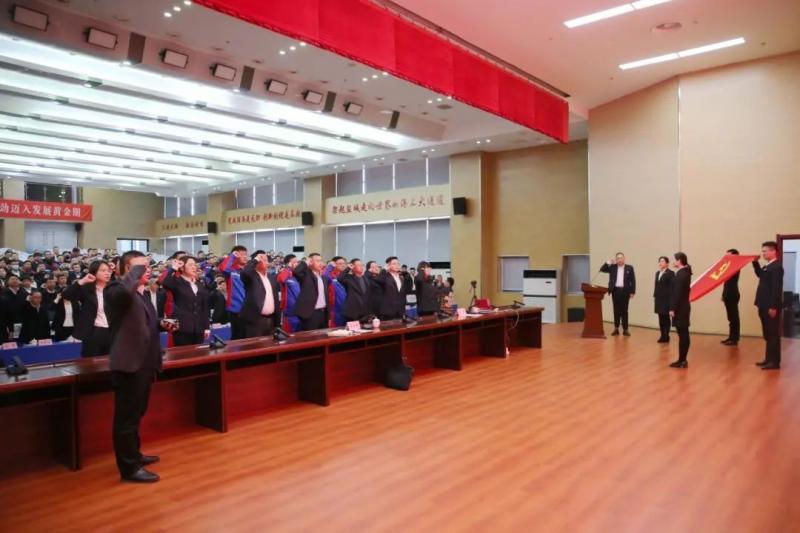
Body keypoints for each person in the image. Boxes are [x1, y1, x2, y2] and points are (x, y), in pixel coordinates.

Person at [105, 250, 176, 483]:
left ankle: (134, 455)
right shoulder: (115, 289)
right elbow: (122, 295)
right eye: (140, 267)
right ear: (127, 269)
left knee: (137, 413)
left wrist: (161, 323)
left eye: (147, 267)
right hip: (129, 364)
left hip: (145, 362)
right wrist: (134, 274)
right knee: (126, 419)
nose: (147, 271)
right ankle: (129, 468)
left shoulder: (140, 293)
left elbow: (144, 321)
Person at [62, 260, 113, 357]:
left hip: (112, 332)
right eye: (103, 271)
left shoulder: (114, 288)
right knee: (91, 362)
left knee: (111, 362)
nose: (107, 273)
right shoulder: (86, 289)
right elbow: (66, 295)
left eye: (108, 271)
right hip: (92, 332)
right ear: (94, 272)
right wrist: (82, 281)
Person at [161, 256, 209, 346]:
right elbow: (165, 283)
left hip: (199, 328)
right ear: (182, 268)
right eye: (190, 265)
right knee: (183, 352)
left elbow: (205, 307)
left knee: (199, 352)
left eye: (194, 265)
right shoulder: (177, 282)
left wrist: (206, 327)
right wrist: (174, 268)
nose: (194, 267)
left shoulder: (200, 284)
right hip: (182, 327)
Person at [752, 241, 783, 370]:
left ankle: (774, 362)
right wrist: (755, 263)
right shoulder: (768, 266)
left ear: (773, 251)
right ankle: (768, 359)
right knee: (767, 334)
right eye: (763, 251)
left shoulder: (777, 267)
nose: (763, 253)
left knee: (773, 334)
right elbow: (760, 275)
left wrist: (773, 306)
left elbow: (776, 289)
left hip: (770, 306)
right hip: (763, 304)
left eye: (765, 251)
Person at [240, 251, 281, 338]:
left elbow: (275, 298)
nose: (267, 263)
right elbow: (245, 272)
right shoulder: (251, 276)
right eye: (264, 261)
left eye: (267, 261)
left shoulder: (271, 277)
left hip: (271, 320)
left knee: (271, 344)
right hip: (255, 320)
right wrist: (255, 259)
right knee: (255, 345)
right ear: (257, 262)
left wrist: (278, 321)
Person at [600, 252, 636, 336]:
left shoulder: (629, 268)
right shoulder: (612, 267)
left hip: (625, 291)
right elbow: (602, 269)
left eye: (621, 258)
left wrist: (632, 291)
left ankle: (625, 329)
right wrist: (608, 262)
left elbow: (633, 280)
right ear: (616, 259)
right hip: (615, 291)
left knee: (624, 310)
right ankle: (616, 328)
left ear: (624, 259)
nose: (619, 259)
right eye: (618, 258)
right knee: (616, 310)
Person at [292, 253, 329, 331]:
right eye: (317, 261)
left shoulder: (323, 277)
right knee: (310, 336)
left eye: (321, 260)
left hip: (323, 313)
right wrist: (305, 262)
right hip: (310, 313)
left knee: (323, 336)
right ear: (310, 262)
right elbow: (296, 272)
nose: (320, 263)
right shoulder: (306, 275)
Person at [668, 253, 692, 368]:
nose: (673, 262)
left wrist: (672, 308)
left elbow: (677, 293)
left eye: (675, 260)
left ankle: (682, 361)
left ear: (679, 261)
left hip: (680, 308)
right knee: (683, 333)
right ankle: (682, 360)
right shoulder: (684, 272)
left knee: (683, 334)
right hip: (682, 306)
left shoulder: (682, 274)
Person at [220, 245, 248, 339]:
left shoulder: (248, 270)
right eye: (241, 254)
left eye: (246, 254)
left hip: (249, 309)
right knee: (238, 337)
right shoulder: (231, 270)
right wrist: (232, 256)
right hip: (236, 310)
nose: (245, 256)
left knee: (249, 338)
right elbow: (223, 268)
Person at [337, 258, 372, 322]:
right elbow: (339, 278)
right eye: (358, 265)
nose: (361, 267)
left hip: (365, 313)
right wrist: (348, 268)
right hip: (352, 312)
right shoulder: (348, 278)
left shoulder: (366, 278)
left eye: (362, 265)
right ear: (353, 267)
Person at [375, 256, 408, 320]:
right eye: (394, 264)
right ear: (388, 265)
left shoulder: (401, 278)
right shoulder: (385, 277)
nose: (397, 265)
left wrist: (403, 309)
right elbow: (378, 280)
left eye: (398, 263)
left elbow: (402, 294)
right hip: (388, 312)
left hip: (400, 311)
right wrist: (384, 270)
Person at [721, 248, 741, 346]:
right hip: (728, 294)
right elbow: (726, 284)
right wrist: (723, 295)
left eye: (728, 255)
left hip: (733, 294)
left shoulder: (735, 266)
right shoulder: (728, 266)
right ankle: (731, 337)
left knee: (734, 318)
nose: (726, 257)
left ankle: (734, 339)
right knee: (730, 318)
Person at [276, 255, 301, 332]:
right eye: (294, 262)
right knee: (290, 335)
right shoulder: (286, 274)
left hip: (300, 311)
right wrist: (288, 268)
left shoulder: (296, 276)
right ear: (289, 263)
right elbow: (281, 279)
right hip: (290, 312)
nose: (297, 264)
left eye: (297, 262)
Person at [653, 256, 674, 343]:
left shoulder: (671, 273)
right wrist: (655, 296)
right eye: (659, 261)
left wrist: (671, 301)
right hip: (659, 299)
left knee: (666, 318)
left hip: (666, 299)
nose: (660, 263)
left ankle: (666, 335)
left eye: (662, 261)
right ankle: (662, 335)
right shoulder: (657, 273)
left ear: (667, 263)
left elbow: (672, 288)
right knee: (660, 318)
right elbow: (656, 286)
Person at [324, 256, 348, 327]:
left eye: (344, 263)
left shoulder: (346, 276)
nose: (343, 265)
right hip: (334, 308)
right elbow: (325, 277)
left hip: (345, 307)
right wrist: (330, 266)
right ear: (334, 264)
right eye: (340, 264)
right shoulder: (330, 275)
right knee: (335, 329)